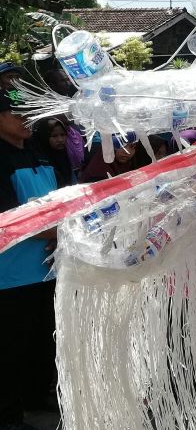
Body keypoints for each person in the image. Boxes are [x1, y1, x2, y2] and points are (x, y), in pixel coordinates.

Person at [0, 89, 60, 429]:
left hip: (47, 268)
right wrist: (59, 233)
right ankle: (7, 414)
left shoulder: (40, 156)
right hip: (10, 274)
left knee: (43, 335)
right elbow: (9, 219)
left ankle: (38, 394)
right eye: (15, 112)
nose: (25, 118)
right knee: (10, 344)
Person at [33, 118, 78, 187]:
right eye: (54, 136)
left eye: (62, 135)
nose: (60, 140)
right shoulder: (40, 162)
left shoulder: (65, 156)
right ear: (44, 137)